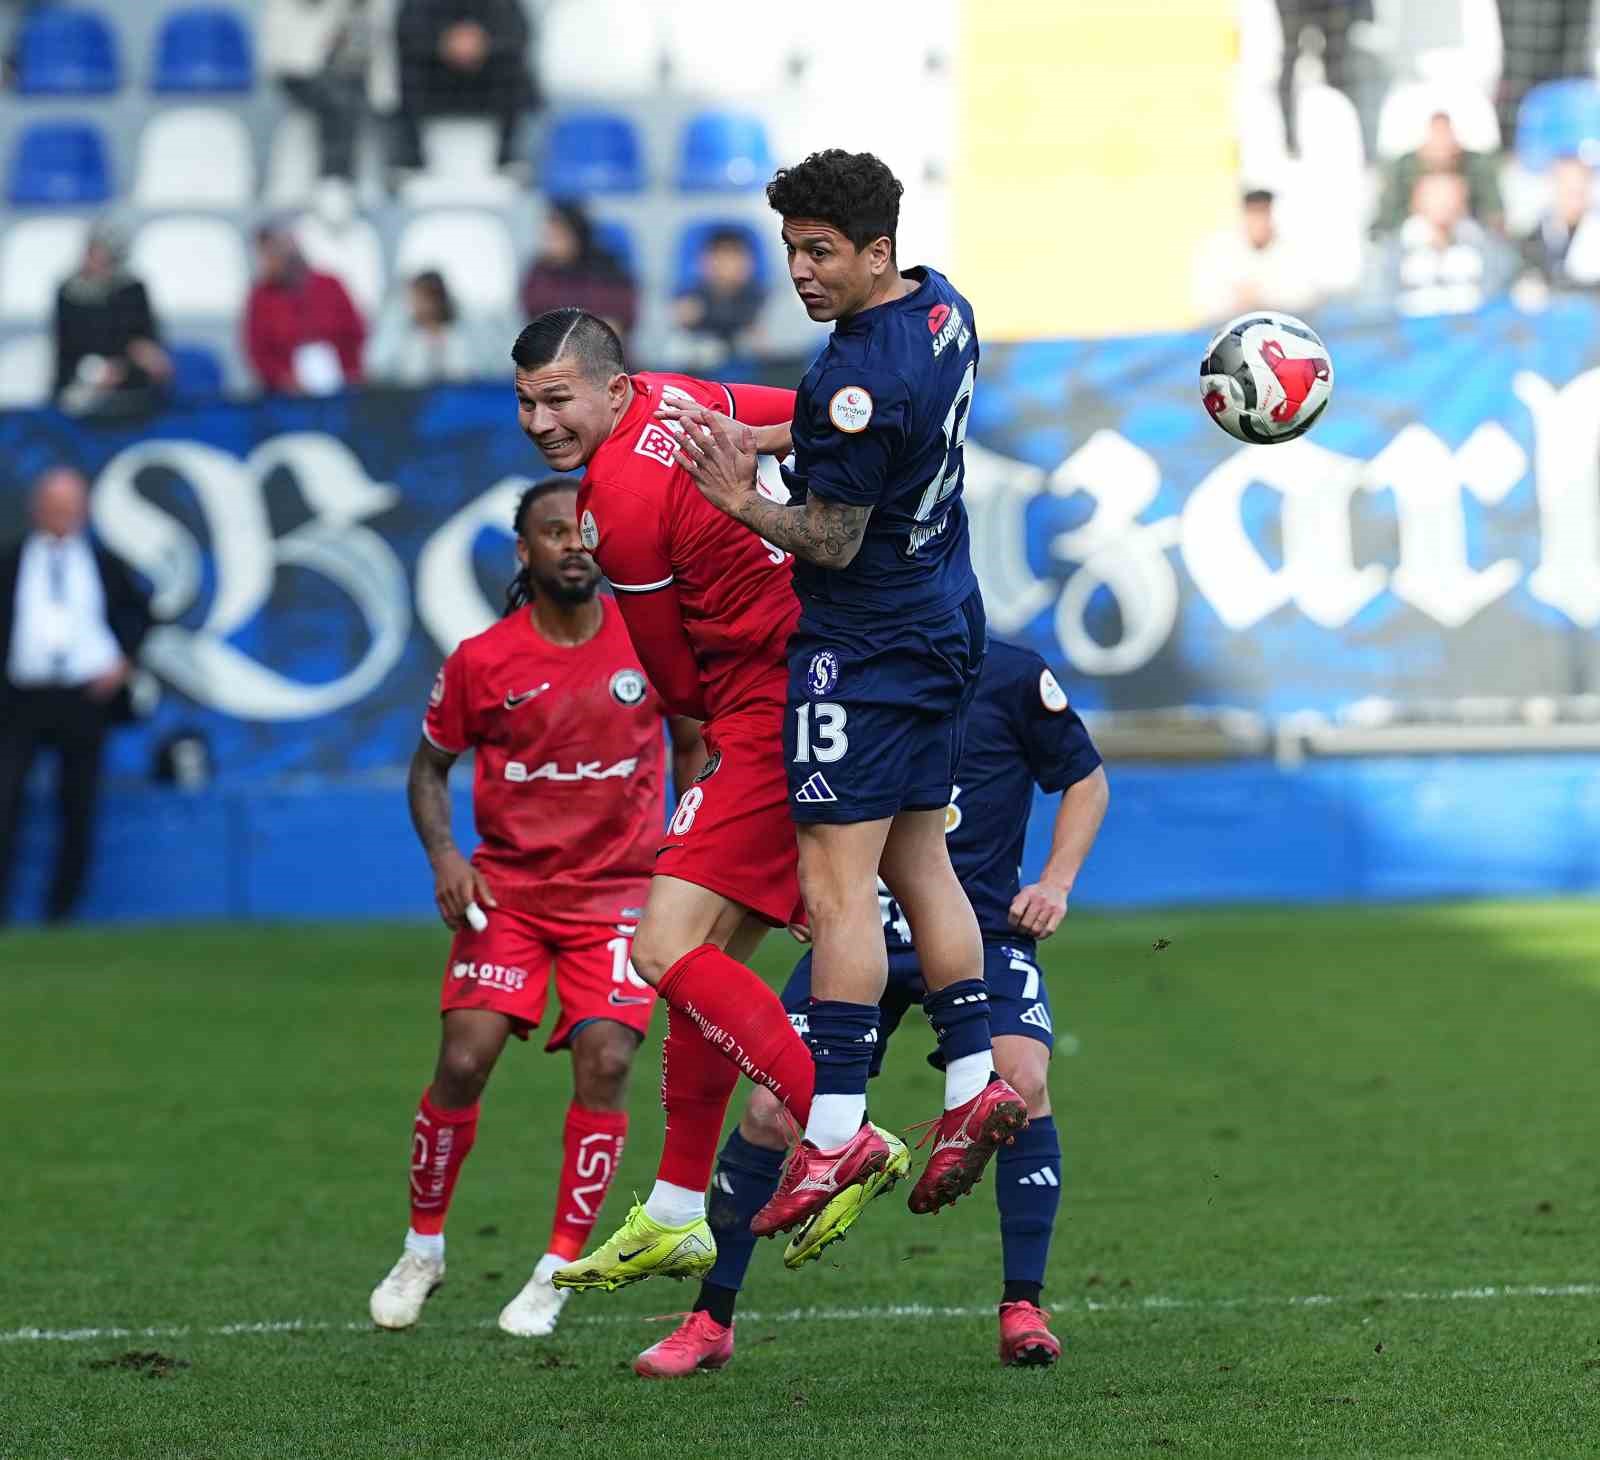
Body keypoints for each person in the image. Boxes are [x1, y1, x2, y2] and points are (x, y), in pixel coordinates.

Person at [507, 308, 896, 1297]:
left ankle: (836, 1133)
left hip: (765, 702)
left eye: (557, 398)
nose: (540, 419)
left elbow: (671, 679)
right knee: (706, 966)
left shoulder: (622, 501)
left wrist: (719, 725)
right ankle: (678, 1209)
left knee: (660, 949)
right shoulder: (678, 396)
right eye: (524, 401)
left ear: (605, 385)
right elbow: (813, 414)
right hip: (820, 668)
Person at [672, 149, 1024, 1238]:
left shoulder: (853, 376)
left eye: (820, 251)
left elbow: (828, 530)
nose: (800, 270)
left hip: (860, 653)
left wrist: (737, 494)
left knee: (836, 892)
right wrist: (775, 434)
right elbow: (859, 430)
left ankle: (834, 1127)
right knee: (925, 866)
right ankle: (975, 1086)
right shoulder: (943, 303)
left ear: (876, 251)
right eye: (791, 248)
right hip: (945, 621)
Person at [637, 640, 1110, 1377]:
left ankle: (1024, 1304)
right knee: (767, 1110)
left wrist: (1055, 882)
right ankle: (709, 1318)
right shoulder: (835, 671)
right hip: (856, 933)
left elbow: (1085, 779)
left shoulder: (1012, 674)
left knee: (1020, 1077)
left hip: (975, 931)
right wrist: (795, 886)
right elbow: (782, 791)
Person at [368, 477, 705, 1337]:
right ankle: (424, 1248)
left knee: (606, 1062)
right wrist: (446, 855)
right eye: (554, 532)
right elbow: (427, 768)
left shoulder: (648, 645)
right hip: (510, 894)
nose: (574, 544)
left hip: (622, 894)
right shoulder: (484, 661)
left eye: (583, 529)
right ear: (526, 552)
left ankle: (557, 1266)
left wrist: (691, 840)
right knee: (465, 1059)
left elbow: (699, 738)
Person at [0, 467, 151, 925]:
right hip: (19, 698)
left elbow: (141, 617)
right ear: (36, 508)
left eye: (69, 506)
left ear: (83, 510)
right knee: (6, 800)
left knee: (79, 804)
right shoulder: (10, 562)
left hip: (84, 699)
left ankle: (62, 912)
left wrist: (122, 664)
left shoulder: (106, 564)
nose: (60, 515)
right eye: (53, 505)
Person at [392, 0, 537, 173]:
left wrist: (482, 44)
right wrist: (445, 44)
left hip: (488, 80)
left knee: (517, 75)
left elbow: (520, 32)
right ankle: (410, 161)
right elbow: (405, 33)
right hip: (435, 80)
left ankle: (511, 158)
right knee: (400, 80)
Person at [53, 221, 172, 418]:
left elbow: (145, 342)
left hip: (132, 385)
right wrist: (94, 372)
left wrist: (128, 366)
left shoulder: (132, 290)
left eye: (108, 256)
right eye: (95, 252)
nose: (99, 261)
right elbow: (66, 351)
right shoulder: (68, 293)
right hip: (82, 383)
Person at [1371, 168, 1516, 317]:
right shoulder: (1393, 248)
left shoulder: (1488, 246)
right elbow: (1380, 301)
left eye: (1450, 196)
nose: (1444, 203)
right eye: (1435, 196)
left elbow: (1498, 293)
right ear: (1416, 201)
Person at [243, 225, 368, 395]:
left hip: (340, 388)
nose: (269, 260)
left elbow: (355, 333)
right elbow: (257, 351)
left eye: (275, 252)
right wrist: (285, 379)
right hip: (286, 396)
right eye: (265, 254)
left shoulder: (330, 285)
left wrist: (349, 374)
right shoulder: (260, 297)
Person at [262, 0, 371, 186]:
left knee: (349, 96)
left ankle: (342, 180)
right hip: (295, 75)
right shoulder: (282, 8)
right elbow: (283, 62)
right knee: (338, 101)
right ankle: (334, 178)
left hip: (336, 75)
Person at [520, 201, 638, 353]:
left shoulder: (609, 272)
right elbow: (538, 324)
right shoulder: (539, 273)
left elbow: (615, 327)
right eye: (547, 237)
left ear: (577, 236)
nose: (549, 244)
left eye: (557, 237)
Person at [1192, 188, 1320, 321]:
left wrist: (1261, 298)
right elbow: (1205, 303)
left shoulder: (1293, 249)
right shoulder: (1218, 249)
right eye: (1254, 212)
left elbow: (1306, 299)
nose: (1259, 221)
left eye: (1264, 212)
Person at [1376, 110, 1503, 235]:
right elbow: (1386, 219)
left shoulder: (1477, 166)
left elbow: (1494, 214)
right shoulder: (1402, 169)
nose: (1442, 143)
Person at [366, 269, 491, 384]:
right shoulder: (405, 339)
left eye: (419, 298)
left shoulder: (458, 337)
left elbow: (468, 374)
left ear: (435, 300)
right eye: (412, 298)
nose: (413, 304)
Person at [673, 228, 768, 359]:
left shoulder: (760, 297)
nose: (726, 266)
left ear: (749, 263)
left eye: (734, 258)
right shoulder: (692, 298)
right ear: (703, 263)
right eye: (719, 258)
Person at [1518, 155, 1600, 295]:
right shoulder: (1535, 238)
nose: (1574, 197)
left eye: (1580, 188)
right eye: (1567, 187)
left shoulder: (1593, 231)